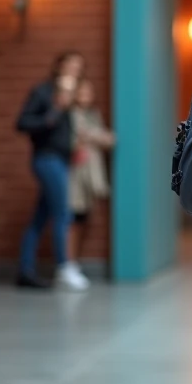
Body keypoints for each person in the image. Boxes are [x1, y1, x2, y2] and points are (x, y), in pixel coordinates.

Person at [15, 51, 89, 291]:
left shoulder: (71, 98)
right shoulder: (44, 93)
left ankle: (25, 269)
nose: (73, 72)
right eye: (70, 66)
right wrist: (55, 110)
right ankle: (64, 267)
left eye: (78, 68)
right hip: (47, 159)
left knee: (40, 217)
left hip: (63, 160)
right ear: (58, 67)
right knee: (62, 213)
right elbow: (22, 123)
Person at [68, 79, 114, 267]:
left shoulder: (93, 115)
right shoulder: (69, 115)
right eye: (81, 92)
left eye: (88, 92)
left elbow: (109, 139)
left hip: (91, 174)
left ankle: (74, 262)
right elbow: (74, 139)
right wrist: (93, 136)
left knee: (85, 217)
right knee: (72, 218)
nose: (85, 97)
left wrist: (90, 136)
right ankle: (67, 263)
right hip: (74, 174)